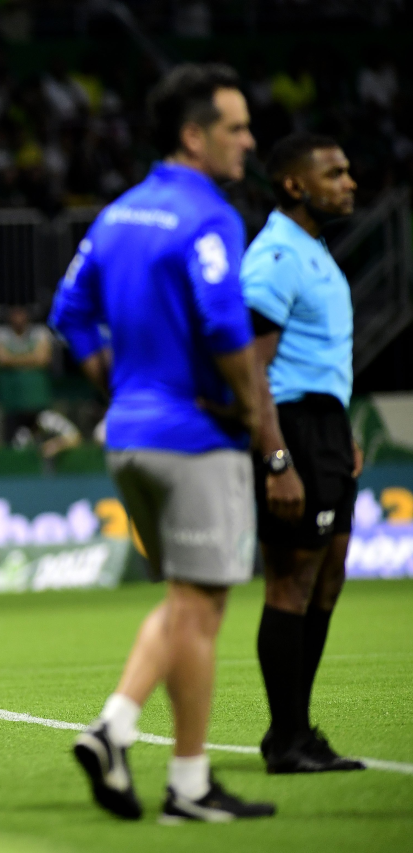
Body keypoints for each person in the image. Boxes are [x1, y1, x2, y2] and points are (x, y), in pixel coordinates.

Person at [50, 64, 275, 822]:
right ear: (194, 134)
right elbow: (223, 324)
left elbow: (67, 310)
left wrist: (115, 380)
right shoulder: (210, 214)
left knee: (183, 602)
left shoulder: (116, 215)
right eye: (236, 127)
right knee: (200, 607)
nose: (249, 141)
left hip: (129, 436)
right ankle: (124, 734)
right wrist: (255, 416)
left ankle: (185, 781)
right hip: (195, 436)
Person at [240, 133, 366, 774]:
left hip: (325, 424)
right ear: (295, 185)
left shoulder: (312, 251)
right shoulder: (274, 257)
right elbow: (252, 368)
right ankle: (285, 738)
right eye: (334, 173)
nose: (349, 182)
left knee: (329, 576)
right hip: (289, 426)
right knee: (290, 583)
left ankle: (297, 729)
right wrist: (278, 460)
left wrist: (343, 432)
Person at [0, 305, 54, 443]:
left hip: (37, 398)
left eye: (21, 313)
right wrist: (31, 359)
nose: (18, 318)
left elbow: (43, 358)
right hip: (12, 400)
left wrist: (13, 359)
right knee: (12, 441)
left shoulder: (40, 332)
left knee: (42, 438)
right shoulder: (1, 334)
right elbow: (0, 359)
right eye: (15, 314)